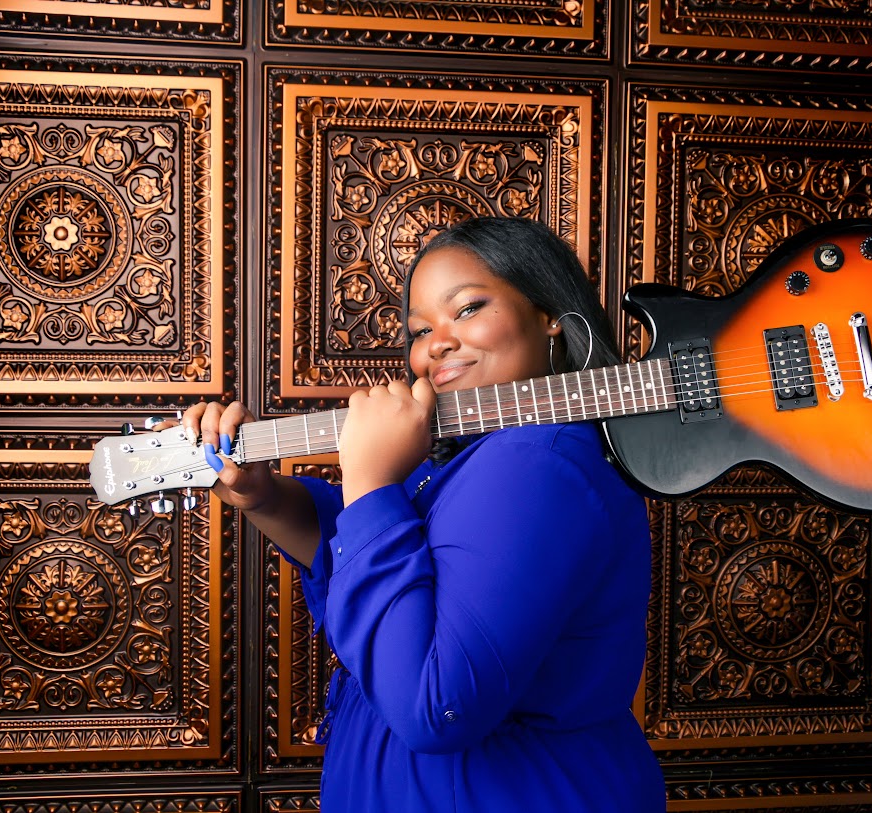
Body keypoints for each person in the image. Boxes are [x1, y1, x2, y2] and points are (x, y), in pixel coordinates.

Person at [178, 217, 665, 811]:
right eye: (420, 330)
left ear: (549, 316)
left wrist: (369, 480)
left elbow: (436, 706)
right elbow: (386, 565)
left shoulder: (536, 460)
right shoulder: (478, 452)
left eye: (467, 309)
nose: (436, 344)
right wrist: (265, 497)